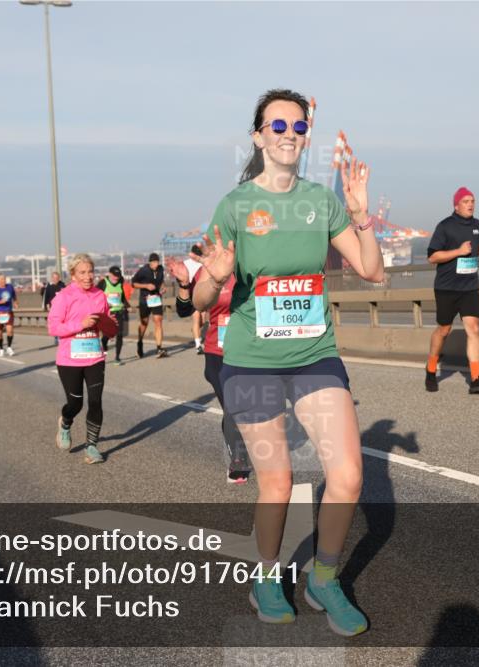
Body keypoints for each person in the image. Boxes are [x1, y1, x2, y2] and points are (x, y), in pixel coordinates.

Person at [191, 89, 383, 636]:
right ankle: (267, 578)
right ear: (258, 136)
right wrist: (216, 275)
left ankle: (324, 579)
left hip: (314, 354)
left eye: (298, 127)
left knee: (348, 475)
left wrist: (362, 218)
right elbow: (200, 299)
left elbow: (371, 271)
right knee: (277, 483)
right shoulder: (234, 206)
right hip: (251, 361)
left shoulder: (321, 201)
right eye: (277, 125)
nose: (289, 135)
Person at [170, 255, 251, 484]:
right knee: (233, 406)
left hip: (251, 350)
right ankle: (238, 459)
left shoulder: (251, 267)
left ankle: (249, 448)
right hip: (218, 351)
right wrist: (185, 283)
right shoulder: (206, 273)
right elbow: (185, 310)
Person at [47, 253, 118, 464]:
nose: (88, 277)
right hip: (69, 360)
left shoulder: (100, 295)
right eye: (82, 272)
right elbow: (53, 328)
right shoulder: (63, 296)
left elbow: (108, 326)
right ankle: (65, 422)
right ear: (73, 275)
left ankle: (91, 446)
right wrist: (81, 324)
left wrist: (110, 324)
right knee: (75, 404)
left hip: (94, 357)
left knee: (95, 401)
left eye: (90, 272)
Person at [424, 187, 479, 394]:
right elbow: (432, 257)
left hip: (470, 286)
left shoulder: (477, 225)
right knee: (443, 330)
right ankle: (430, 369)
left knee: (473, 328)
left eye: (472, 201)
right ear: (456, 205)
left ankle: (476, 379)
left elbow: (475, 246)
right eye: (465, 201)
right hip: (447, 287)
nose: (470, 204)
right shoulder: (445, 226)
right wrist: (458, 251)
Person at [131, 253, 166, 358]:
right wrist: (146, 286)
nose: (156, 264)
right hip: (145, 300)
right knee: (144, 323)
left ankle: (159, 348)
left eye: (157, 262)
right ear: (150, 262)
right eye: (154, 262)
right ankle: (140, 342)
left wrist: (163, 287)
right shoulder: (144, 270)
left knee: (158, 320)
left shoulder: (161, 269)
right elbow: (133, 283)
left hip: (156, 299)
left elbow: (162, 281)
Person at [96, 266, 129, 365]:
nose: (116, 278)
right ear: (109, 274)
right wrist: (103, 304)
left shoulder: (120, 282)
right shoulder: (103, 283)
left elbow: (122, 297)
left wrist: (127, 305)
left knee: (119, 334)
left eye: (118, 276)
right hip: (107, 313)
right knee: (107, 335)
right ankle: (104, 346)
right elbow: (95, 296)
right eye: (114, 276)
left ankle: (117, 357)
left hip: (119, 311)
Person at [184, 244, 206, 353]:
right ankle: (198, 345)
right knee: (197, 318)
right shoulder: (186, 263)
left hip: (204, 293)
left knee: (203, 320)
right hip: (191, 294)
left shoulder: (203, 262)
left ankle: (195, 331)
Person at [0, 273, 18, 357]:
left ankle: (9, 347)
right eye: (1, 279)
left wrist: (15, 302)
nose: (3, 281)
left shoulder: (10, 287)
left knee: (10, 330)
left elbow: (14, 296)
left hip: (8, 312)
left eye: (4, 279)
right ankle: (1, 348)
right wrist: (0, 302)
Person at [43, 270, 66, 345]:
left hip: (62, 307)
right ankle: (56, 337)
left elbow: (67, 295)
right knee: (55, 323)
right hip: (53, 307)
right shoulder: (49, 286)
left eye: (57, 278)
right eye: (54, 278)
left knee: (61, 322)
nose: (55, 279)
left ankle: (61, 336)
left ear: (59, 278)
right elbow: (46, 296)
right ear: (52, 278)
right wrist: (46, 305)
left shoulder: (62, 285)